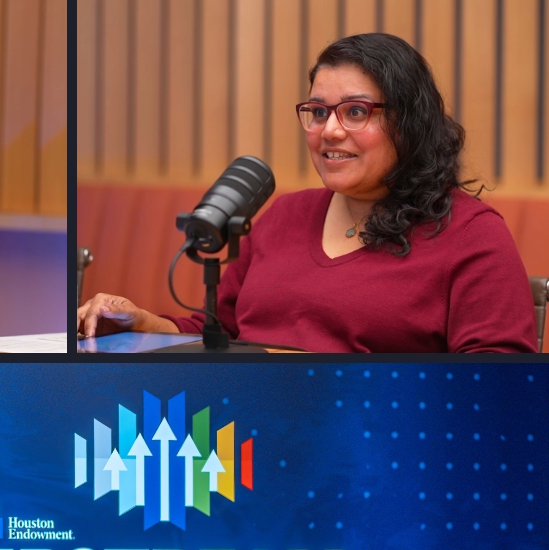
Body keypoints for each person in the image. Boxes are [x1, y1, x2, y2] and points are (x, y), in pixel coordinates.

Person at [76, 33, 535, 352]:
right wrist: (138, 322)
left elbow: (497, 386)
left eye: (355, 111)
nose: (329, 131)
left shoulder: (471, 235)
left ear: (409, 123)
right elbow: (215, 332)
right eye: (318, 112)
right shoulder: (283, 216)